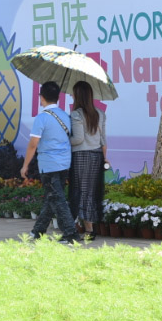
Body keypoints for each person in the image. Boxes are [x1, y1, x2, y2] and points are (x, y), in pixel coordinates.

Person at [22, 81, 82, 244]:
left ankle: (71, 234)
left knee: (57, 199)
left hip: (49, 164)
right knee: (53, 197)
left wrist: (25, 165)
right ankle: (38, 231)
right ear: (58, 98)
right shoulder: (65, 116)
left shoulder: (42, 118)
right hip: (64, 163)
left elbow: (33, 144)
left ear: (41, 97)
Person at [69, 80, 107, 240]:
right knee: (91, 192)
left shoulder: (76, 114)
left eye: (73, 93)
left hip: (81, 156)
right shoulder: (100, 113)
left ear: (78, 96)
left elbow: (78, 139)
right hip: (97, 155)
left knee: (81, 191)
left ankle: (87, 229)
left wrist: (64, 140)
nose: (71, 96)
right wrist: (105, 158)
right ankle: (89, 228)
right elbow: (103, 140)